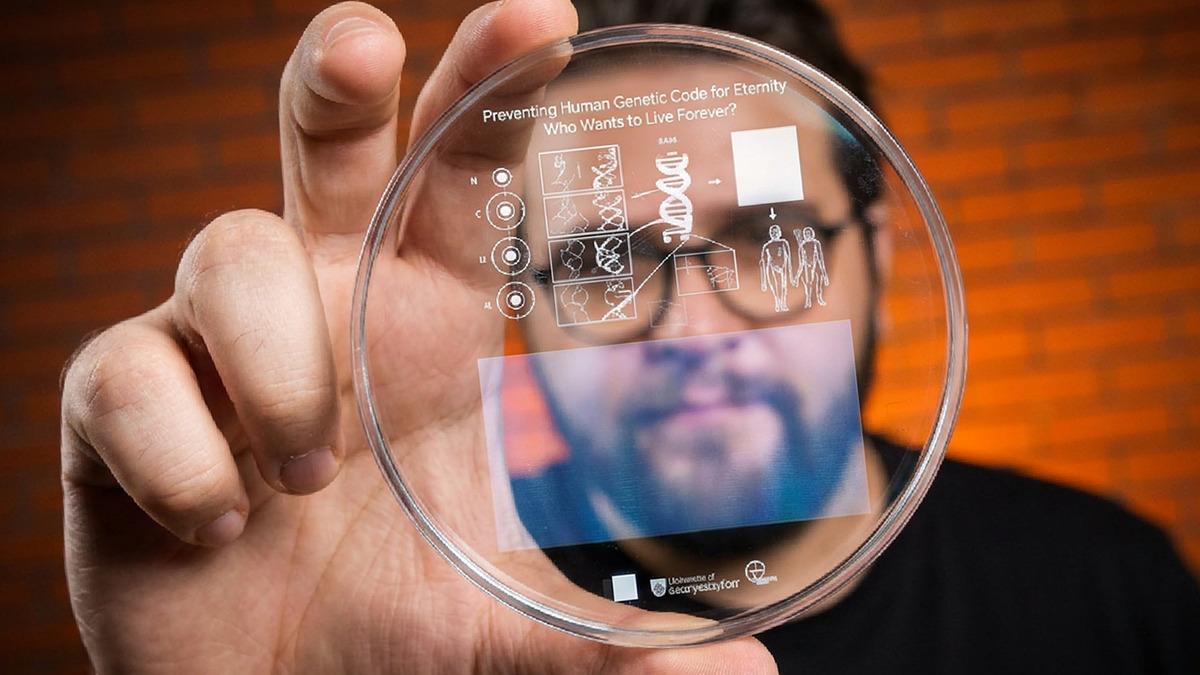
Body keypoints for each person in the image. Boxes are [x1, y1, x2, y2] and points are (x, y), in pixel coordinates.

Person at [58, 2, 1199, 675]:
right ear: (520, 307)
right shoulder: (402, 616)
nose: (692, 334)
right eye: (604, 265)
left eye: (765, 241)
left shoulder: (1107, 589)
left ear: (884, 263)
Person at [760, 224, 793, 312]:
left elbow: (788, 258)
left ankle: (783, 303)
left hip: (783, 268)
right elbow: (764, 263)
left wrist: (789, 272)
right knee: (775, 286)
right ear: (770, 234)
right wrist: (763, 282)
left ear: (780, 232)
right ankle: (778, 303)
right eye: (772, 232)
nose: (774, 234)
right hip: (772, 270)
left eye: (776, 232)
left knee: (783, 286)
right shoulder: (767, 246)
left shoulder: (784, 243)